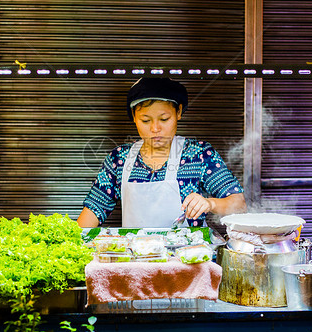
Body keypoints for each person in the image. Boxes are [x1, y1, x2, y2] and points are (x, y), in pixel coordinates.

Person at [77, 77, 247, 228]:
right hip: (136, 261)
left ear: (178, 112)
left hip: (188, 259)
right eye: (145, 120)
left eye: (164, 119)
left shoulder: (199, 155)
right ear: (134, 118)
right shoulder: (118, 159)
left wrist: (210, 203)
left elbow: (239, 204)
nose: (155, 128)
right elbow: (94, 209)